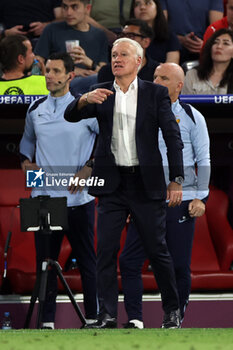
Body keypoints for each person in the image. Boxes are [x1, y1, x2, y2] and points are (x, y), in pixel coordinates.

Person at [65, 37, 184, 329]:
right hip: (112, 184)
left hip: (146, 183)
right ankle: (107, 315)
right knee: (105, 251)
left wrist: (177, 179)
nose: (116, 59)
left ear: (138, 61)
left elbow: (172, 138)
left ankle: (172, 311)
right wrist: (82, 100)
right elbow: (70, 116)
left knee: (157, 250)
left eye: (123, 55)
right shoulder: (99, 92)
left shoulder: (155, 94)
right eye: (114, 55)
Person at [119, 62, 210, 329]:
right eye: (155, 76)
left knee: (178, 264)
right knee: (129, 260)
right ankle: (135, 319)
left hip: (179, 201)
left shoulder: (193, 116)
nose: (156, 81)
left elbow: (203, 158)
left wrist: (200, 198)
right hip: (144, 199)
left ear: (179, 86)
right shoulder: (136, 113)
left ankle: (175, 318)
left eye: (164, 77)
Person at [19, 52, 99, 329]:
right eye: (46, 71)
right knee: (45, 264)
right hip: (43, 199)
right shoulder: (35, 109)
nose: (48, 76)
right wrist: (26, 164)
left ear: (70, 76)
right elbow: (26, 146)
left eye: (55, 71)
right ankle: (47, 322)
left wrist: (89, 168)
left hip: (79, 198)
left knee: (88, 261)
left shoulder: (86, 108)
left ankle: (93, 318)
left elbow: (105, 144)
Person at [34, 0, 109, 93]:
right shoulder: (51, 29)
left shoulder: (99, 35)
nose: (68, 12)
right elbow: (37, 63)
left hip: (92, 85)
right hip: (61, 83)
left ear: (87, 9)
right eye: (65, 7)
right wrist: (67, 71)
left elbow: (105, 74)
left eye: (74, 7)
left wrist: (89, 63)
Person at [95, 18, 159, 84]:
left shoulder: (157, 71)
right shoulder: (107, 71)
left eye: (131, 36)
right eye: (122, 35)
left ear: (146, 42)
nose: (124, 39)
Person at [182, 28, 233, 94]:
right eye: (215, 42)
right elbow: (185, 103)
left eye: (226, 43)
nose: (219, 46)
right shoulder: (192, 75)